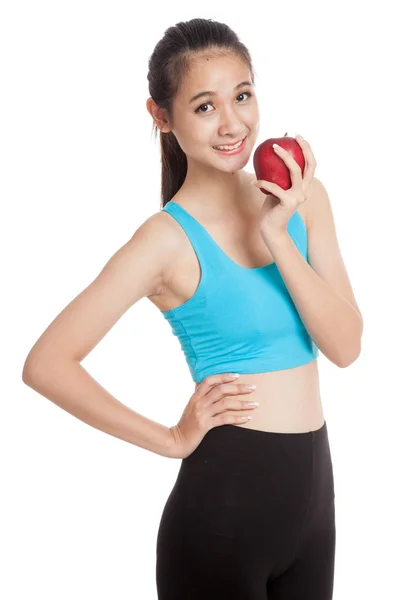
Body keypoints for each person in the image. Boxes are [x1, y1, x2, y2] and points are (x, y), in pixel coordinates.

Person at [22, 17, 363, 600]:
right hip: (221, 515)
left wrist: (280, 236)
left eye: (243, 95)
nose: (233, 124)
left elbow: (346, 347)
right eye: (204, 107)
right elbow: (46, 364)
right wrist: (171, 438)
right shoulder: (164, 241)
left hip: (314, 507)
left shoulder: (299, 198)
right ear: (161, 117)